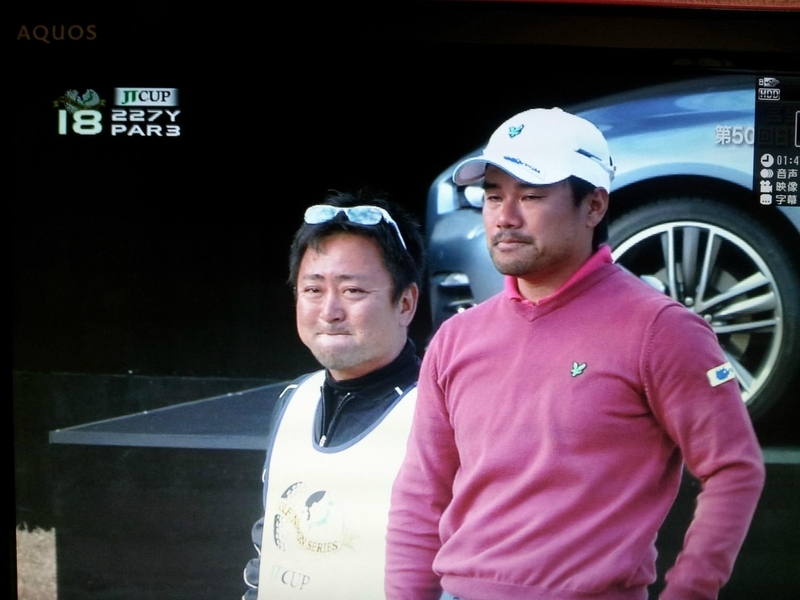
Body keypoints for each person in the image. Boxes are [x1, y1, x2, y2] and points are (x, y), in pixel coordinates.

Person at [385, 108, 766, 600]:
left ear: (594, 206)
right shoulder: (457, 337)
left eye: (531, 196)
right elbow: (421, 495)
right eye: (494, 195)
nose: (505, 216)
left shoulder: (662, 330)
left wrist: (690, 591)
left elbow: (734, 469)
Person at [243, 189, 424, 599]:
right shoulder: (296, 398)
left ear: (405, 303)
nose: (330, 311)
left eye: (353, 291)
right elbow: (269, 548)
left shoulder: (439, 412)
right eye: (313, 290)